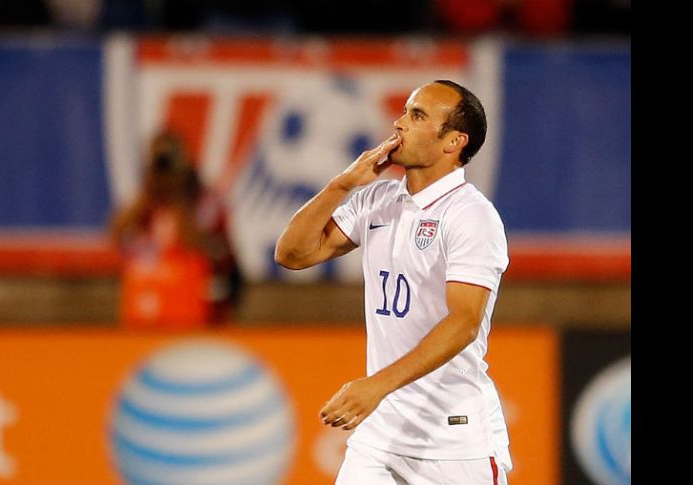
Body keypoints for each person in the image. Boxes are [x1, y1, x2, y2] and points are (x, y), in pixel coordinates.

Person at [274, 80, 512, 484]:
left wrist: (376, 385)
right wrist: (342, 185)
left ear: (453, 141)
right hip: (379, 434)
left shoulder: (471, 215)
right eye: (404, 111)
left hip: (452, 439)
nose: (399, 123)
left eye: (417, 116)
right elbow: (292, 254)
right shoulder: (377, 199)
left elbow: (464, 323)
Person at [110, 130, 242, 328]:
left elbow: (198, 245)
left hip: (194, 310)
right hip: (146, 308)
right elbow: (117, 233)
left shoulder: (205, 200)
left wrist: (179, 195)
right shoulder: (147, 202)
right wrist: (149, 190)